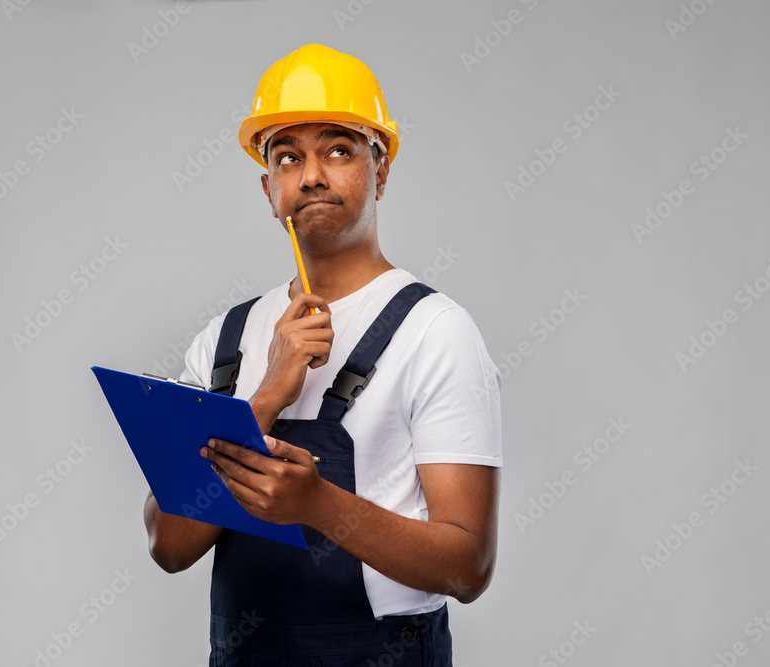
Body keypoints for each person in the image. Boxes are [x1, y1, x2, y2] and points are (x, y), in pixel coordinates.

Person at [143, 44, 502, 665]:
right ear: (269, 188)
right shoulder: (225, 339)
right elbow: (170, 546)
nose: (311, 174)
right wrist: (264, 400)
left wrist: (316, 505)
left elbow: (467, 568)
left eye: (339, 150)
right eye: (288, 157)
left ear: (380, 169)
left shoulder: (435, 331)